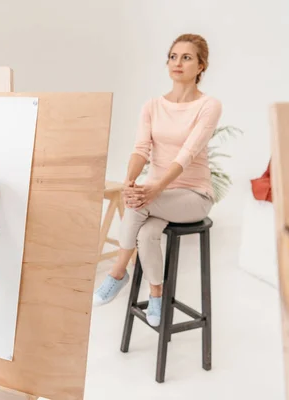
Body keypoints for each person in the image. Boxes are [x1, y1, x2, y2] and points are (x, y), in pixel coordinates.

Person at [92, 33, 222, 327]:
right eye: (173, 57)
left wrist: (155, 188)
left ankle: (116, 273)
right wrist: (130, 182)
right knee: (147, 234)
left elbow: (188, 154)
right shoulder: (152, 106)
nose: (178, 63)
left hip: (193, 195)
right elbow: (141, 150)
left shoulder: (208, 106)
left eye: (187, 57)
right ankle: (156, 295)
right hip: (157, 197)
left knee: (138, 207)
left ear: (201, 66)